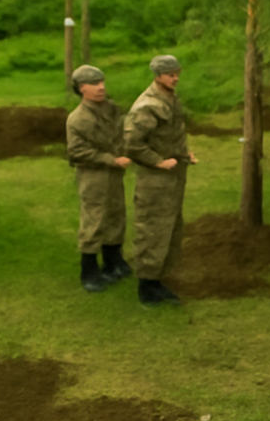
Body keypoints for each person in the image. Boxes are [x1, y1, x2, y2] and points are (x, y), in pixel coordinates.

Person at [125, 54, 197, 306]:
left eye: (177, 73)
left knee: (171, 227)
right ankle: (146, 287)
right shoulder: (147, 105)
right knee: (153, 229)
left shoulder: (170, 99)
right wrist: (157, 161)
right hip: (155, 180)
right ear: (157, 76)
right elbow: (132, 144)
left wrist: (184, 155)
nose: (175, 78)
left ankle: (158, 279)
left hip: (173, 177)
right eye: (170, 74)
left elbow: (170, 135)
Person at [65, 64, 133, 292]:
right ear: (81, 88)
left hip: (114, 172)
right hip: (93, 175)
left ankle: (113, 261)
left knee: (116, 214)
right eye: (94, 84)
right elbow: (77, 152)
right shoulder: (78, 119)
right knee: (94, 219)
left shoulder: (110, 109)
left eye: (102, 82)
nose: (101, 87)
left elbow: (120, 134)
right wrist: (110, 159)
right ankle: (89, 271)